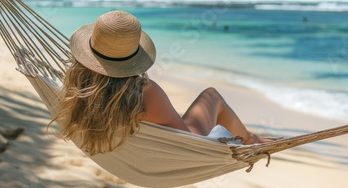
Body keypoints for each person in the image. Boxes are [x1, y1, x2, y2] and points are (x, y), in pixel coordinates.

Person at [53, 10, 268, 156]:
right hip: (178, 156)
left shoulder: (76, 84)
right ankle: (249, 139)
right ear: (132, 56)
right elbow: (186, 141)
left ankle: (251, 138)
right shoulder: (144, 92)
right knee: (212, 95)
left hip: (113, 155)